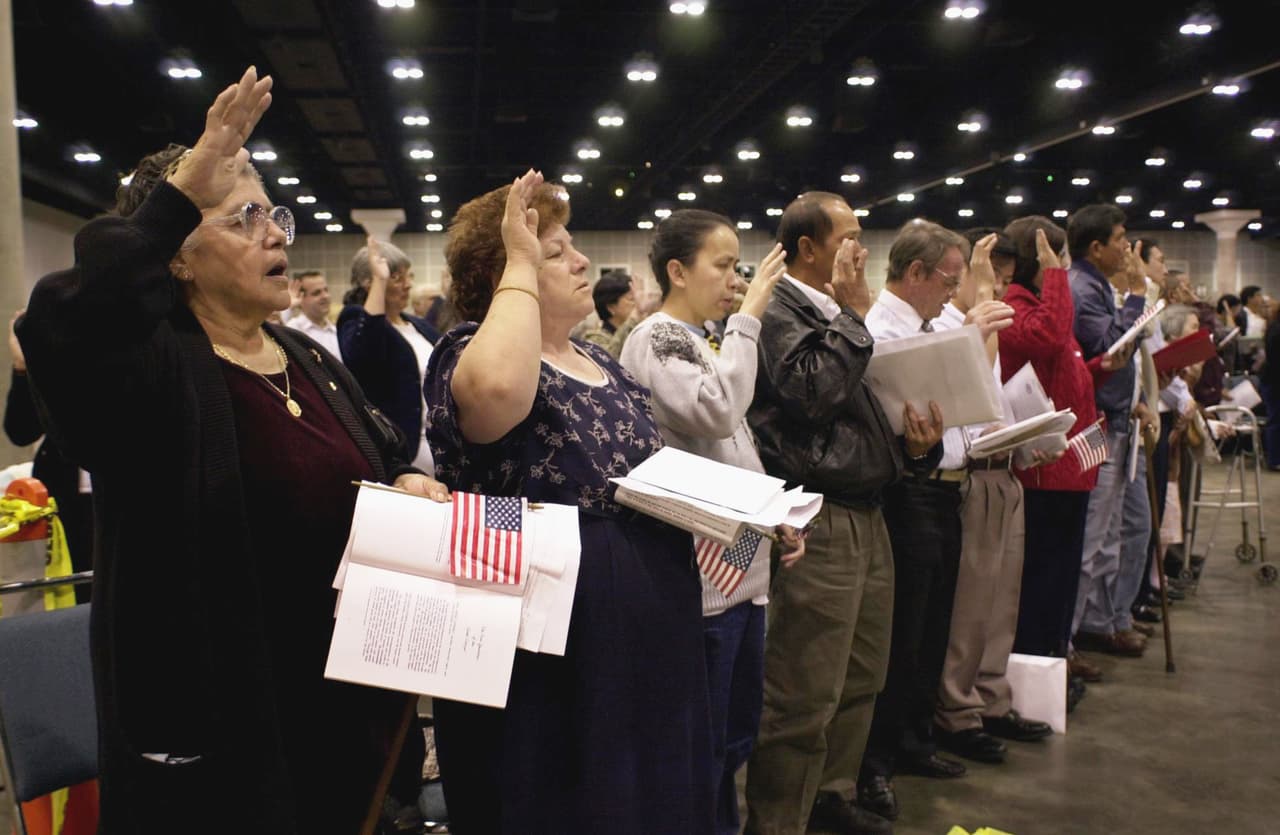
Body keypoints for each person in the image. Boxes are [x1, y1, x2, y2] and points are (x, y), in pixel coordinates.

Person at [14, 68, 449, 834]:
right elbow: (61, 326)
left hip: (342, 718)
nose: (276, 232)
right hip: (227, 752)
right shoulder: (152, 371)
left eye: (271, 214)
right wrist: (182, 187)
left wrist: (409, 480)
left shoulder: (302, 355)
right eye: (242, 218)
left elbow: (381, 454)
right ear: (175, 257)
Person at [424, 171, 714, 833]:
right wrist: (523, 260)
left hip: (651, 621)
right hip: (555, 649)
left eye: (568, 245)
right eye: (553, 251)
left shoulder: (599, 359)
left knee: (649, 792)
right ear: (505, 274)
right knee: (568, 796)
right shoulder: (468, 350)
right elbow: (497, 392)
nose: (581, 261)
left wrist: (749, 529)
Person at [744, 192, 942, 835]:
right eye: (848, 237)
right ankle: (778, 820)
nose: (861, 249)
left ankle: (832, 796)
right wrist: (856, 318)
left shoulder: (835, 315)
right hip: (815, 514)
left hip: (870, 509)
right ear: (809, 249)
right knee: (804, 690)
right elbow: (810, 394)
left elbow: (861, 412)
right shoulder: (781, 309)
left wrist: (912, 446)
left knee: (862, 674)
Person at [619, 209, 800, 835]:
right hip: (704, 580)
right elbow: (718, 411)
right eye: (722, 265)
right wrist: (751, 316)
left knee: (733, 739)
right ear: (677, 270)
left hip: (743, 571)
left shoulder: (700, 339)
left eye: (737, 266)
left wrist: (774, 517)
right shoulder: (657, 336)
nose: (735, 279)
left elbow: (735, 453)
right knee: (704, 741)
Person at [859, 221, 1013, 813]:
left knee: (935, 626)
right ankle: (877, 760)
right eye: (949, 280)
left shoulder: (942, 322)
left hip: (952, 487)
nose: (955, 292)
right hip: (909, 491)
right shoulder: (880, 328)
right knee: (903, 631)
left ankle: (915, 736)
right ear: (916, 273)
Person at [931, 229, 1054, 768]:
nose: (1000, 286)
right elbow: (962, 388)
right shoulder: (944, 326)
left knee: (1002, 601)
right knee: (971, 606)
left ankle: (991, 695)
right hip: (972, 474)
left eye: (1004, 276)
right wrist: (979, 310)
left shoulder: (988, 321)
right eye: (988, 276)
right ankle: (956, 710)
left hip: (1006, 469)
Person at [1067, 205, 1153, 659]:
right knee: (1090, 536)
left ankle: (1093, 625)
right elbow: (1108, 349)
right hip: (1097, 422)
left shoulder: (1096, 285)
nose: (1126, 246)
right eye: (1120, 238)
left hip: (1116, 419)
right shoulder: (1083, 289)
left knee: (1108, 535)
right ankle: (1068, 642)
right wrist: (1137, 295)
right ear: (1096, 247)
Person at [5, 310, 94, 603]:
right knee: (66, 596)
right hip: (64, 499)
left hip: (117, 497)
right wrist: (23, 365)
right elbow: (20, 431)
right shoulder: (55, 365)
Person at [338, 239, 440, 473]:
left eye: (409, 276)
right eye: (397, 278)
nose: (408, 285)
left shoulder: (417, 324)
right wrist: (381, 280)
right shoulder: (355, 319)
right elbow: (363, 356)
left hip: (439, 445)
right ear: (369, 283)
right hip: (401, 452)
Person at [579, 270, 639, 358]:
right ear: (611, 307)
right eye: (631, 299)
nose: (636, 303)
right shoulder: (594, 339)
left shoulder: (636, 330)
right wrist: (634, 317)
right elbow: (608, 360)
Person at [284, 269, 341, 359]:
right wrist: (289, 307)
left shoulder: (336, 332)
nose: (325, 296)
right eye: (316, 293)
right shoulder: (293, 328)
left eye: (326, 290)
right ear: (300, 298)